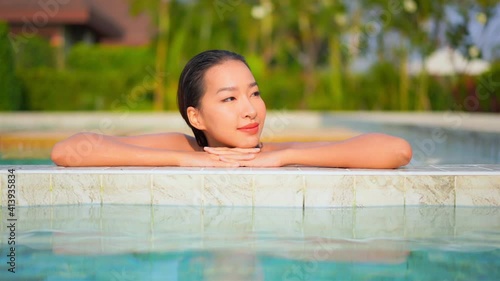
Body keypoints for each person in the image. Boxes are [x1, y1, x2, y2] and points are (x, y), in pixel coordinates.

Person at [51, 50, 412, 168]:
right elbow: (68, 150)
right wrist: (188, 161)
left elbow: (398, 150)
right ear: (196, 116)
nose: (250, 110)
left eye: (254, 94)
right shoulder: (184, 148)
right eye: (229, 98)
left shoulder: (276, 152)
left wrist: (284, 156)